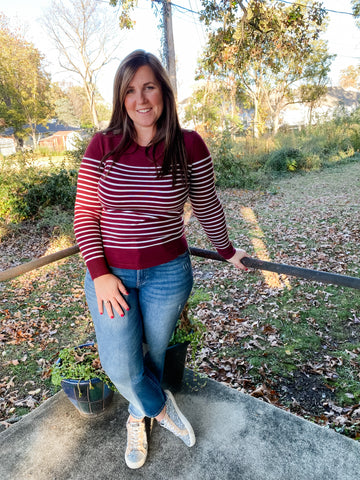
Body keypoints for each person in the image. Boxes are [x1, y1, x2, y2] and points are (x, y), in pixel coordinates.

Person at [74, 49, 249, 470]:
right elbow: (85, 215)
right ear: (121, 98)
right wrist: (98, 274)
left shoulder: (189, 144)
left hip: (168, 275)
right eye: (130, 90)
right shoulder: (102, 146)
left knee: (151, 357)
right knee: (119, 364)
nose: (141, 98)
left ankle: (138, 414)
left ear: (164, 92)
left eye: (149, 86)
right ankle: (158, 408)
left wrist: (226, 249)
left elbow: (206, 204)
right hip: (110, 277)